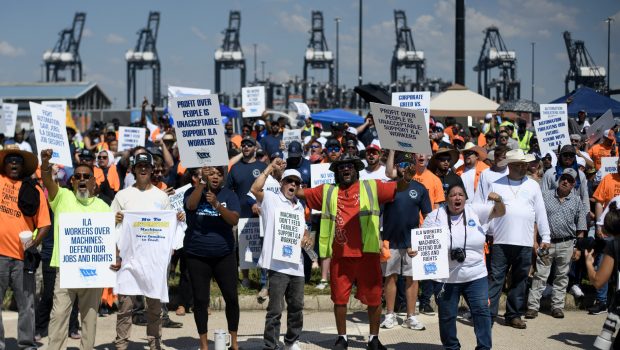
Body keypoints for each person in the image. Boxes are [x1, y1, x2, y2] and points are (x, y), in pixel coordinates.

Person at [295, 154, 415, 350]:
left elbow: (398, 188)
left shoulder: (372, 186)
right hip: (340, 257)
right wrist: (279, 178)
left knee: (375, 298)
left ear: (356, 169)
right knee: (339, 300)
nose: (346, 169)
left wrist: (407, 179)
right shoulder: (327, 191)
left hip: (367, 254)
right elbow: (299, 193)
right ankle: (342, 338)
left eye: (350, 166)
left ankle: (373, 340)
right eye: (342, 167)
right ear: (337, 172)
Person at [40, 149, 111, 350]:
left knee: (89, 319)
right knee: (59, 315)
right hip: (66, 270)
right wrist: (45, 164)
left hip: (93, 271)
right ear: (71, 182)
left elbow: (111, 238)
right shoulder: (62, 197)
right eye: (77, 176)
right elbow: (47, 180)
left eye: (86, 176)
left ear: (94, 182)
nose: (81, 179)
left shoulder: (104, 207)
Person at [111, 152, 182, 350]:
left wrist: (179, 219)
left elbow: (168, 226)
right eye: (139, 166)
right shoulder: (122, 195)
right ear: (133, 169)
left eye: (146, 166)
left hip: (153, 261)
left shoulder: (161, 197)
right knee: (125, 306)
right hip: (129, 259)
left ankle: (154, 344)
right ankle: (121, 344)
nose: (143, 169)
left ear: (152, 170)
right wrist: (113, 220)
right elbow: (109, 226)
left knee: (154, 308)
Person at [421, 184, 505, 350]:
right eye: (452, 195)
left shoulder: (474, 210)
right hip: (446, 277)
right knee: (447, 316)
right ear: (447, 199)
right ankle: (451, 347)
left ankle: (484, 347)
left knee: (481, 312)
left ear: (466, 198)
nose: (457, 198)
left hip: (475, 275)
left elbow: (500, 212)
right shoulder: (434, 216)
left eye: (460, 194)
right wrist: (414, 251)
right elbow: (425, 243)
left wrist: (499, 200)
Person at [481, 149, 551, 329]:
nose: (523, 167)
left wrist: (546, 236)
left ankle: (513, 314)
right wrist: (484, 233)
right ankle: (488, 315)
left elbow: (541, 212)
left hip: (525, 242)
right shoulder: (496, 184)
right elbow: (487, 212)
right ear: (510, 166)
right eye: (519, 164)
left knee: (520, 280)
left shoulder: (533, 185)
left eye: (524, 164)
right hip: (500, 241)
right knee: (496, 278)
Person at [251, 162, 308, 350]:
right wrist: (269, 168)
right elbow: (255, 188)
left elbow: (304, 229)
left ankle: (292, 341)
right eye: (289, 181)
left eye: (296, 183)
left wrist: (307, 237)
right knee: (275, 310)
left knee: (297, 307)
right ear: (282, 183)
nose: (293, 185)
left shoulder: (299, 207)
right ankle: (271, 345)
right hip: (277, 266)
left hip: (297, 265)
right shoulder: (271, 199)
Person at [0, 146, 51, 350]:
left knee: (26, 305)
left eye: (18, 161)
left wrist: (33, 245)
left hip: (23, 258)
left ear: (23, 167)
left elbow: (45, 224)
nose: (14, 164)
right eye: (10, 160)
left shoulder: (34, 189)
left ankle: (26, 344)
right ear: (4, 164)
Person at [184, 166, 241, 350]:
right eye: (212, 174)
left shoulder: (229, 195)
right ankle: (204, 345)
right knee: (201, 300)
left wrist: (216, 204)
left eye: (219, 174)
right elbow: (191, 206)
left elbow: (234, 220)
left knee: (231, 298)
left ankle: (234, 342)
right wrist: (201, 184)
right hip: (197, 255)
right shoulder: (192, 191)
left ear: (223, 177)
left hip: (224, 255)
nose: (215, 177)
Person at [525, 168, 587, 320]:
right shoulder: (545, 196)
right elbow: (535, 220)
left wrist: (578, 248)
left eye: (570, 180)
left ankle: (557, 307)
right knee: (540, 275)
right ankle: (532, 307)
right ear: (559, 179)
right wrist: (534, 240)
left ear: (574, 184)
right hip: (547, 243)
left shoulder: (577, 200)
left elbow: (581, 227)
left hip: (566, 243)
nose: (566, 181)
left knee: (562, 277)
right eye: (563, 178)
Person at [379, 161, 431, 331]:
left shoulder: (421, 189)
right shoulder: (388, 187)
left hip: (412, 243)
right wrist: (379, 238)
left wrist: (423, 240)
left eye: (408, 163)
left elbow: (428, 217)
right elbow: (377, 214)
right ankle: (389, 315)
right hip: (389, 240)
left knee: (412, 278)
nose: (405, 167)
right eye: (401, 163)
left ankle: (411, 317)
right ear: (396, 167)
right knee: (390, 277)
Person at [227, 136, 267, 288]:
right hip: (241, 215)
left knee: (262, 246)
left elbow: (269, 189)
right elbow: (229, 190)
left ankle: (264, 278)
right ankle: (245, 277)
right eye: (243, 145)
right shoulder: (235, 168)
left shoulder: (263, 167)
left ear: (255, 148)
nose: (245, 147)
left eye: (249, 145)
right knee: (243, 247)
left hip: (261, 214)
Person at [542, 145, 590, 212]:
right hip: (554, 211)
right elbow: (544, 195)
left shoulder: (581, 175)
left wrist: (586, 214)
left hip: (574, 212)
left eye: (571, 155)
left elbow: (584, 196)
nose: (568, 157)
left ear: (574, 157)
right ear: (560, 156)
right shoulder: (549, 173)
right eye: (565, 155)